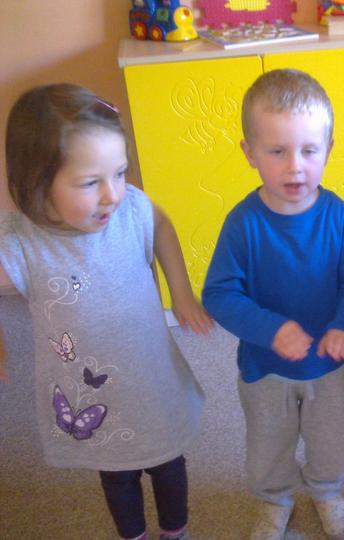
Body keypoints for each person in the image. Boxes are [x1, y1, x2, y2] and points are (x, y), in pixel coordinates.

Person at [0, 84, 212, 540]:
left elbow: (161, 224)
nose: (112, 194)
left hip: (149, 375)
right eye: (90, 182)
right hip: (91, 396)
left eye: (119, 173)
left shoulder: (130, 209)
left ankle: (175, 532)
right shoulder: (22, 243)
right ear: (36, 182)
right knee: (116, 474)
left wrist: (181, 293)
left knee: (168, 460)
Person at [201, 69, 344, 540]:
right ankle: (275, 498)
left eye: (309, 150)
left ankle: (327, 491)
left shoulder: (340, 217)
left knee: (332, 443)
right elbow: (219, 293)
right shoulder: (242, 223)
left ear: (329, 148)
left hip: (330, 365)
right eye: (277, 151)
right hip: (265, 368)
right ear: (250, 154)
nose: (295, 167)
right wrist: (270, 328)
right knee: (268, 446)